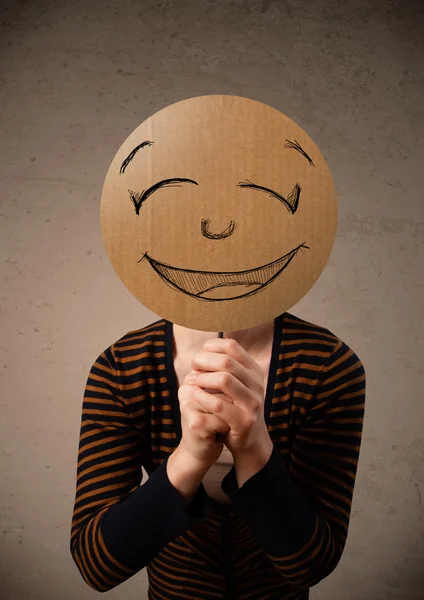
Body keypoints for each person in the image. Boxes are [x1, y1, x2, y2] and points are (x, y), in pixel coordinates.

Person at [69, 311, 366, 599]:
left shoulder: (327, 364)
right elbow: (96, 565)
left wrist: (253, 447)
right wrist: (190, 457)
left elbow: (312, 565)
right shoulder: (122, 367)